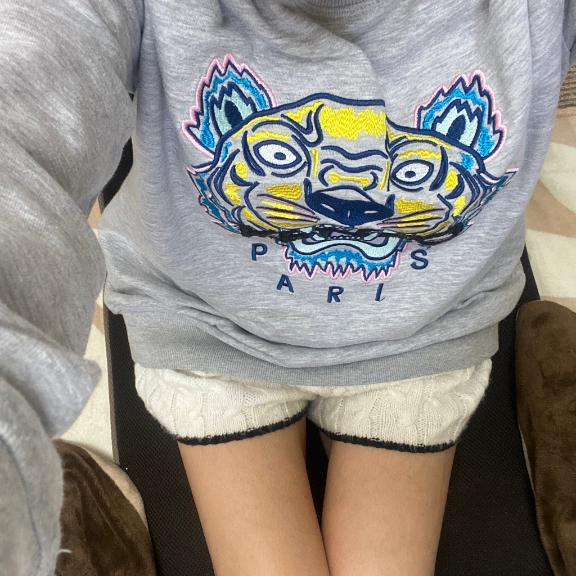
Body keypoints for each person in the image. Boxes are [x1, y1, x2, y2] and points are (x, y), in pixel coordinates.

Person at [1, 1, 575, 574]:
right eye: (279, 154)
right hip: (215, 333)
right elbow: (23, 109)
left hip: (420, 337)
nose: (346, 204)